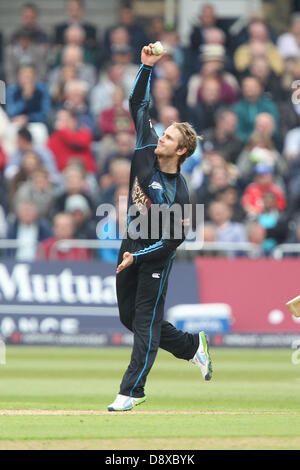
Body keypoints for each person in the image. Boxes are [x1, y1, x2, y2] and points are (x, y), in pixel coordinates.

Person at [107, 44, 212, 413]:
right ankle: (190, 347)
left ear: (181, 151)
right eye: (164, 134)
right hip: (131, 243)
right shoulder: (145, 149)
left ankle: (132, 391)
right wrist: (146, 67)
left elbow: (170, 243)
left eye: (169, 138)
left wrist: (138, 256)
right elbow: (138, 104)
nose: (161, 138)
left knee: (145, 322)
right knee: (128, 318)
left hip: (153, 257)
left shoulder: (180, 195)